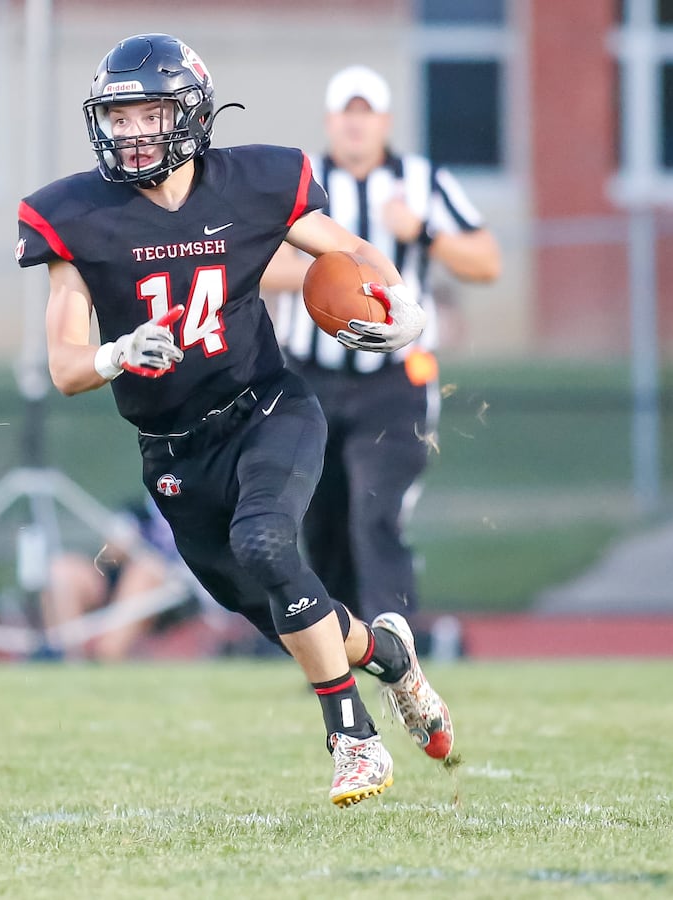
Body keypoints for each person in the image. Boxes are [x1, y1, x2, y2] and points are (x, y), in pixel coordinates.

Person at [16, 33, 455, 807]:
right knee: (286, 608)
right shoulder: (77, 215)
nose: (131, 132)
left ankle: (353, 740)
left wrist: (400, 303)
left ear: (189, 113)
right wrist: (116, 354)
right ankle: (388, 654)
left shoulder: (254, 181)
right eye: (118, 117)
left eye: (150, 113)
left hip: (268, 409)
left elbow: (348, 250)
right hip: (175, 454)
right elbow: (64, 364)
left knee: (265, 541)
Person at [262, 65, 502, 628]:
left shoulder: (421, 182)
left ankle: (399, 650)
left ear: (385, 123)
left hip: (393, 381)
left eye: (366, 113)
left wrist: (422, 232)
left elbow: (487, 262)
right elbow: (258, 264)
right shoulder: (303, 183)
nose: (355, 125)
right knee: (319, 519)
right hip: (311, 375)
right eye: (347, 112)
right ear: (330, 120)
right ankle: (341, 651)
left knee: (376, 511)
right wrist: (328, 283)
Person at [40, 495, 210, 661]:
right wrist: (120, 544)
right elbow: (108, 552)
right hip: (116, 583)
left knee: (146, 569)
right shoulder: (136, 513)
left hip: (173, 597)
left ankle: (106, 656)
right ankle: (68, 659)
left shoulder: (200, 513)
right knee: (62, 569)